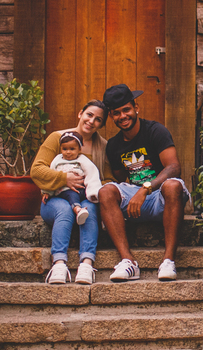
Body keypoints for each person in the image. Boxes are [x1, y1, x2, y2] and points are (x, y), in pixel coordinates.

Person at [98, 83, 190, 282]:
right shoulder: (113, 145)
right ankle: (128, 262)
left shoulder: (155, 130)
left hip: (160, 197)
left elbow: (174, 167)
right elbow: (120, 179)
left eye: (126, 110)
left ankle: (168, 261)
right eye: (116, 113)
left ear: (136, 108)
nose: (123, 116)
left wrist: (146, 188)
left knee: (173, 185)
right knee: (105, 192)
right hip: (136, 200)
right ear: (111, 116)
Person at [30, 100, 110, 285]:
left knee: (90, 208)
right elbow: (37, 170)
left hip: (85, 197)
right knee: (64, 210)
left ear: (101, 125)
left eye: (98, 119)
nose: (91, 121)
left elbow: (108, 179)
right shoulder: (57, 138)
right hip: (55, 199)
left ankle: (87, 264)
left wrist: (89, 187)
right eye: (89, 115)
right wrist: (63, 179)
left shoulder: (102, 146)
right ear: (80, 113)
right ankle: (58, 264)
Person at [43, 131, 103, 225]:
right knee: (72, 195)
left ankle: (103, 219)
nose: (68, 152)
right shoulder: (57, 160)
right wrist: (47, 192)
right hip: (64, 190)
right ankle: (78, 210)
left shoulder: (83, 160)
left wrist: (93, 192)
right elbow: (51, 176)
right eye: (64, 149)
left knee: (93, 203)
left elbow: (92, 174)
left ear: (79, 149)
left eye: (72, 149)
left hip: (82, 189)